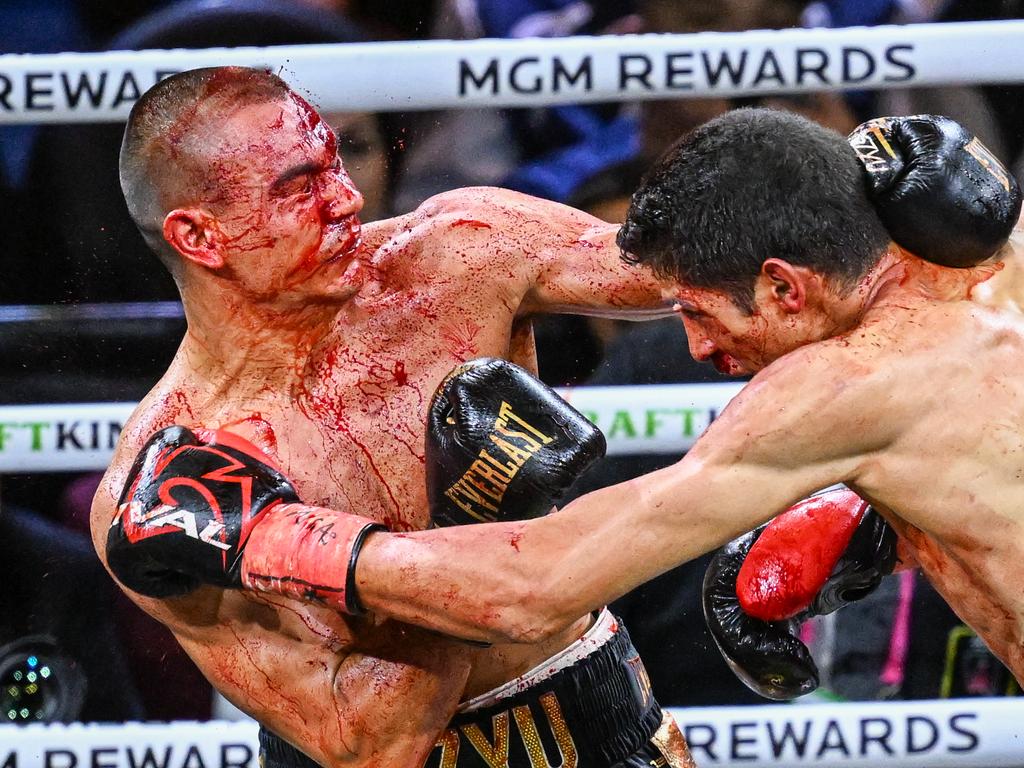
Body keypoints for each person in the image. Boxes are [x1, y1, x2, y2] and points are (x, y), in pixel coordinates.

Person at [227, 107, 1024, 694]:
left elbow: (536, 589)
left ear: (784, 285)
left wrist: (279, 538)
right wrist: (892, 513)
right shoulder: (990, 262)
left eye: (700, 312)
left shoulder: (841, 388)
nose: (698, 351)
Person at [90, 65, 692, 767]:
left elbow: (682, 269)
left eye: (336, 164)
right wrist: (468, 519)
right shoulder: (172, 487)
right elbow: (367, 745)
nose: (346, 199)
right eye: (297, 186)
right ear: (199, 236)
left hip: (596, 726)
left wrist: (840, 169)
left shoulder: (460, 253)